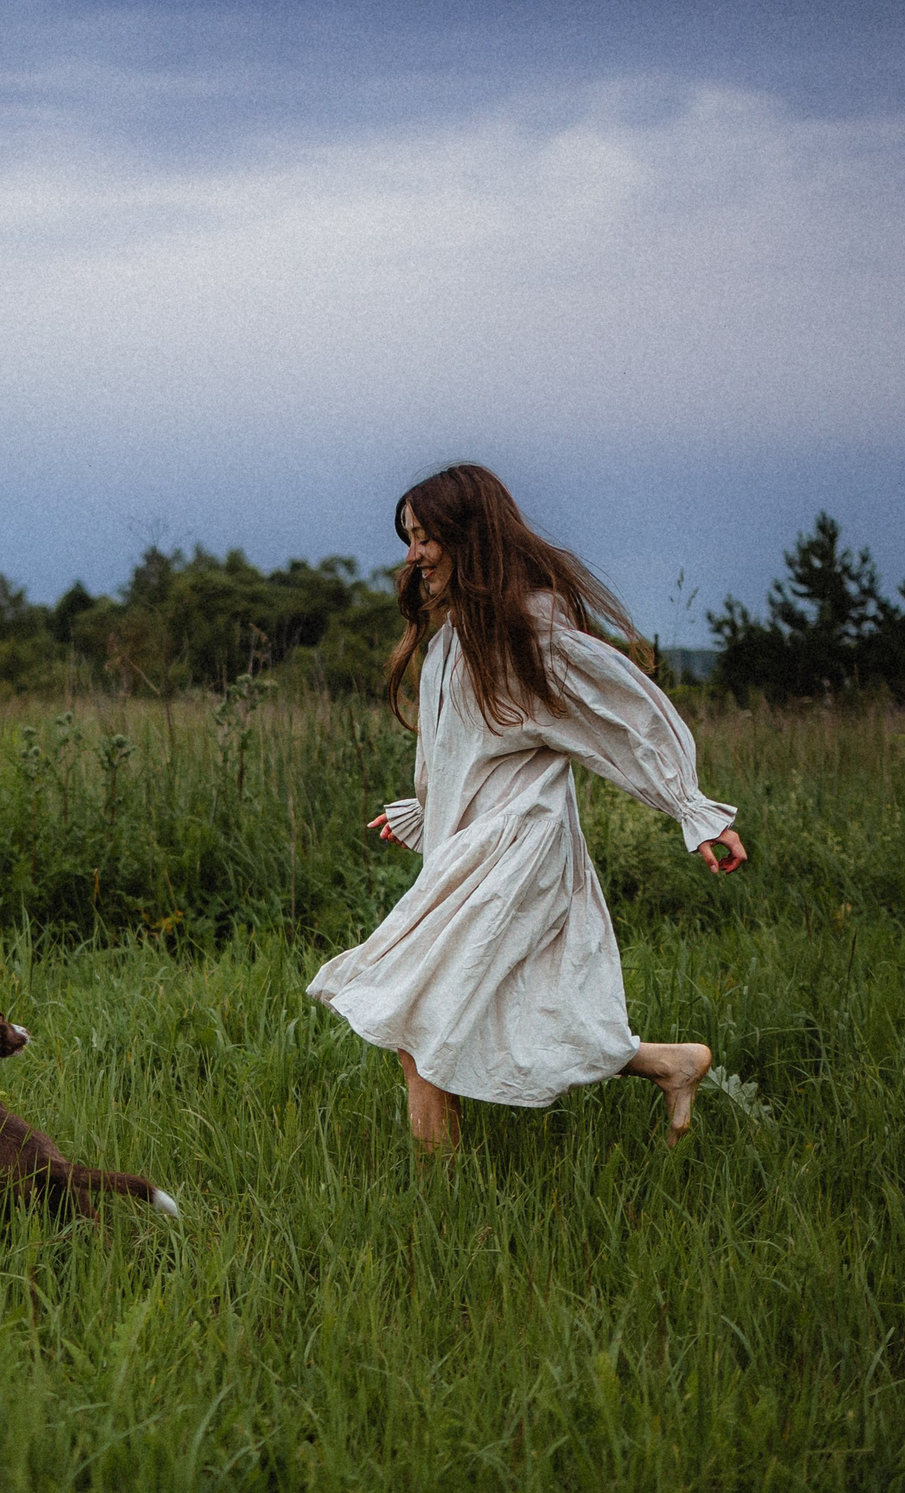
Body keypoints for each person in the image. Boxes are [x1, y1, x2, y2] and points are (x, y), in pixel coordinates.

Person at [307, 464, 747, 1153]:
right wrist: (424, 814)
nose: (412, 555)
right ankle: (670, 1062)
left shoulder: (530, 632)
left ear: (467, 537)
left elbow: (623, 716)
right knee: (488, 1013)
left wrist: (693, 809)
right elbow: (451, 752)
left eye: (424, 538)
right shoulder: (454, 642)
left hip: (520, 847)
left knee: (418, 1019)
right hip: (474, 846)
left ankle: (437, 1214)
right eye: (408, 539)